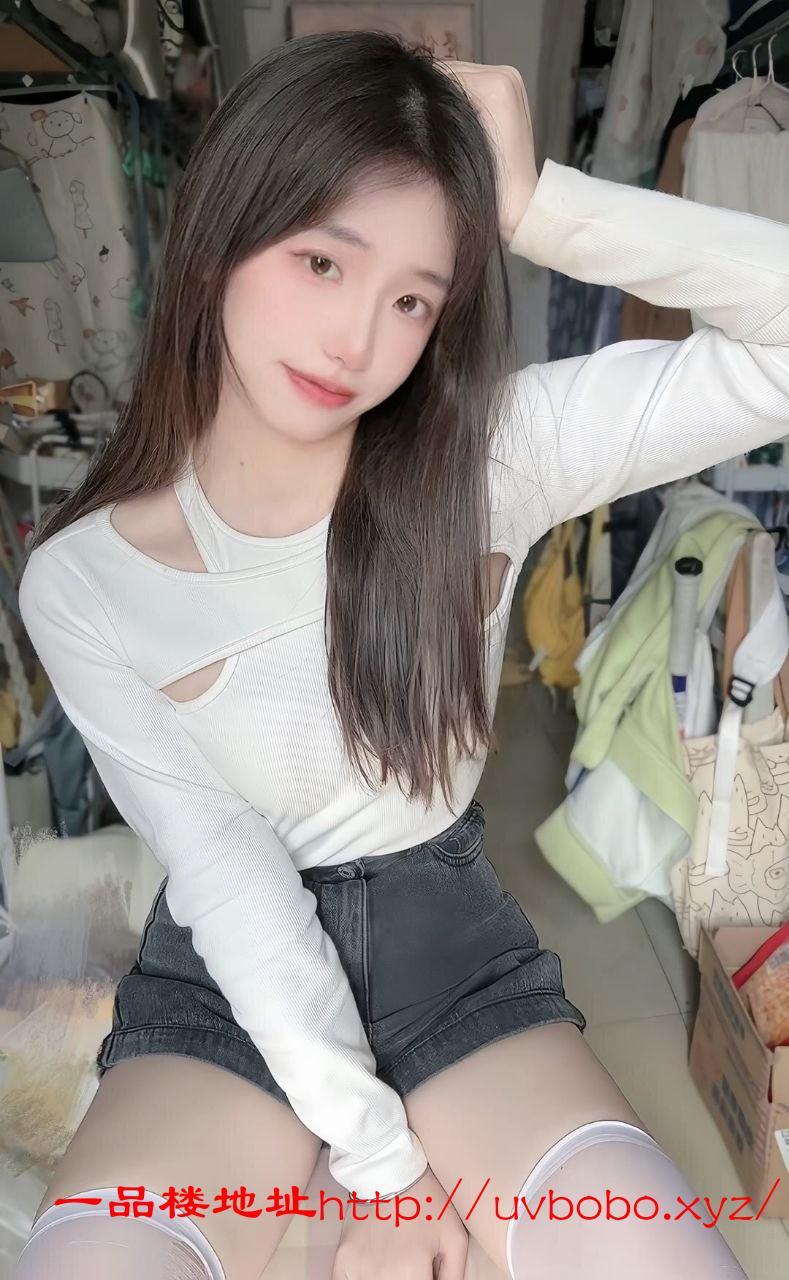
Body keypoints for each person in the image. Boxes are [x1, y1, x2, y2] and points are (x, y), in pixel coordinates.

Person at [10, 30, 784, 1280]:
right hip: (228, 985)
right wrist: (384, 1162)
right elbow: (233, 884)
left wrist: (535, 203)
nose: (356, 340)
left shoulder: (492, 456)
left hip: (447, 951)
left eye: (413, 296)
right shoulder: (87, 579)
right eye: (322, 260)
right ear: (221, 231)